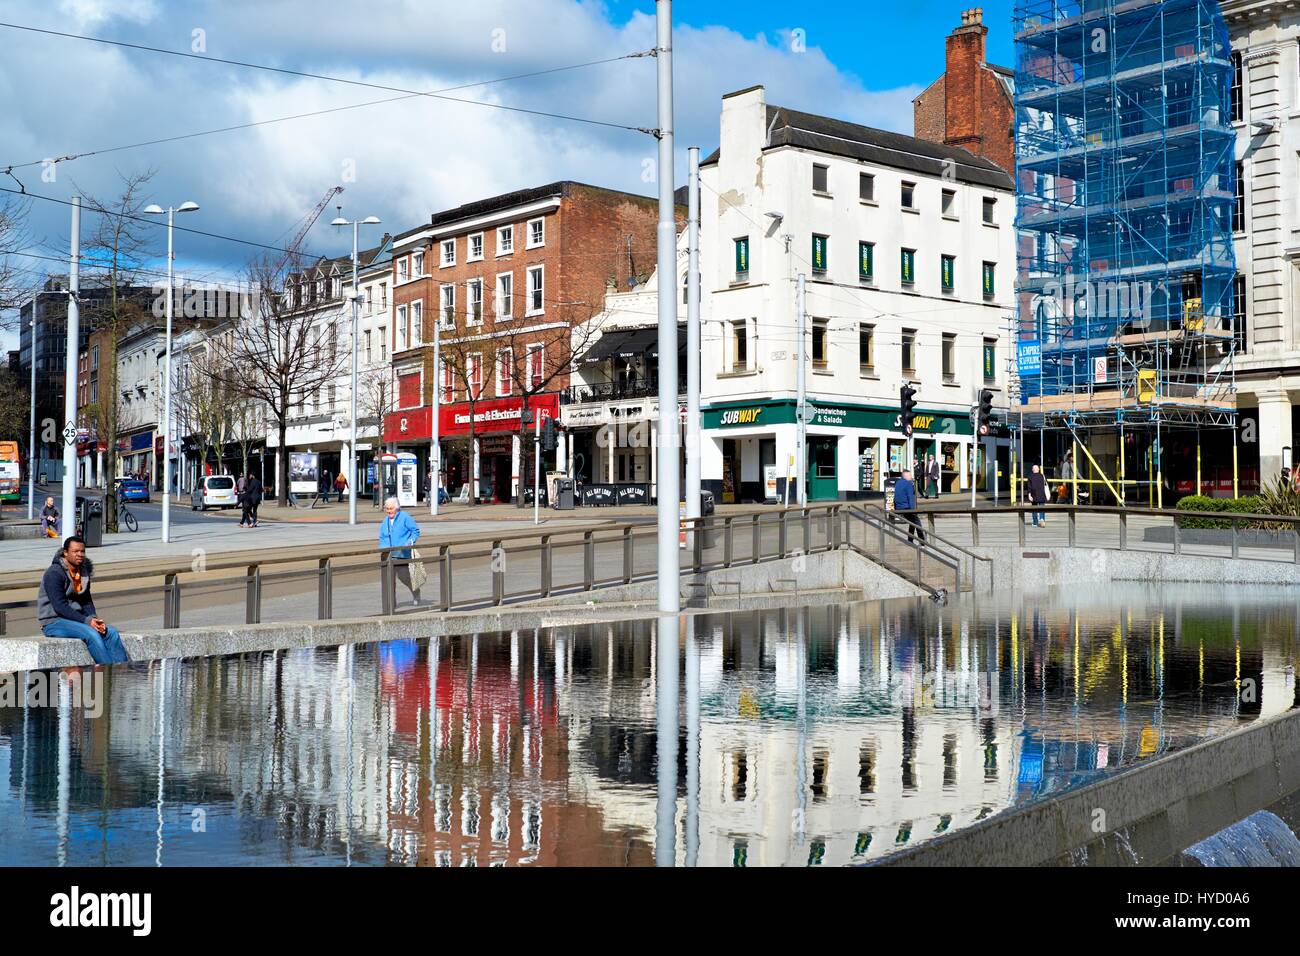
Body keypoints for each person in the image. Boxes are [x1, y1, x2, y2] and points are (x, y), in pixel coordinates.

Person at [36, 535, 129, 665]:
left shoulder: (83, 572)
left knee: (111, 633)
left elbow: (86, 601)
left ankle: (123, 672)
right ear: (65, 553)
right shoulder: (54, 573)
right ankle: (109, 672)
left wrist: (93, 618)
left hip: (76, 619)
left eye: (82, 551)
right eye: (75, 551)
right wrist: (87, 621)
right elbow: (60, 607)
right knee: (91, 634)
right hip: (53, 621)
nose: (80, 554)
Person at [380, 496, 422, 605]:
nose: (389, 511)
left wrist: (410, 541)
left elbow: (415, 531)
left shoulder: (405, 517)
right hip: (389, 555)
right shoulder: (385, 521)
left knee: (404, 577)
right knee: (389, 580)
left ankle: (416, 591)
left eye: (391, 509)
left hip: (402, 554)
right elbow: (382, 537)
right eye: (387, 509)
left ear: (397, 508)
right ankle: (391, 604)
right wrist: (383, 549)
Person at [893, 468, 925, 543]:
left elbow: (895, 497)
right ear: (906, 476)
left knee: (912, 522)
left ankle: (910, 540)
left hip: (898, 507)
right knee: (917, 522)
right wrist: (913, 509)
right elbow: (910, 497)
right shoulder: (908, 484)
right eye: (910, 476)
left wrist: (896, 508)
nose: (911, 477)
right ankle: (922, 541)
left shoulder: (898, 483)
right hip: (906, 507)